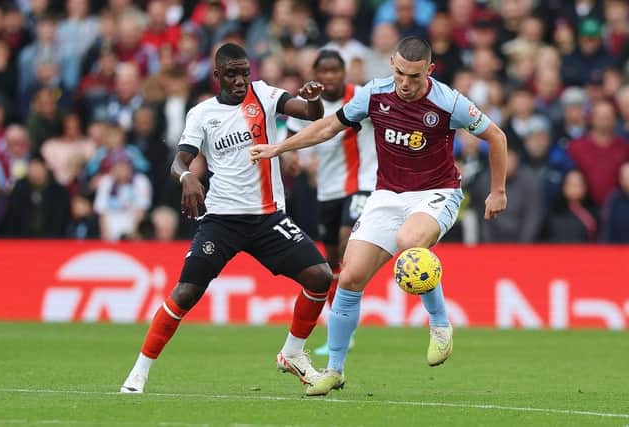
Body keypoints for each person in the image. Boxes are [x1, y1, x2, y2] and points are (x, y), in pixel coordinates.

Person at [251, 37, 507, 396]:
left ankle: (439, 323)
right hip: (386, 195)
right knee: (350, 275)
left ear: (429, 71)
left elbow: (496, 136)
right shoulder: (374, 94)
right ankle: (335, 370)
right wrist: (279, 147)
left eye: (414, 77)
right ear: (391, 64)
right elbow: (329, 126)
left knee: (408, 242)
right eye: (400, 73)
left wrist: (498, 190)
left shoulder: (448, 102)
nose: (405, 83)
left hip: (437, 193)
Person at [120, 43, 333, 394]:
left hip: (267, 218)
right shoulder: (202, 114)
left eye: (244, 73)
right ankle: (139, 372)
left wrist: (311, 99)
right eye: (231, 74)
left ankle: (292, 353)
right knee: (186, 293)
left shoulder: (264, 95)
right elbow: (179, 161)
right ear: (217, 75)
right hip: (222, 220)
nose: (240, 80)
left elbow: (311, 114)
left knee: (320, 276)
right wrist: (187, 177)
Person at [285, 50, 377, 356]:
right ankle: (340, 329)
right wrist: (290, 158)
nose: (329, 77)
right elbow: (291, 138)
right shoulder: (312, 106)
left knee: (346, 241)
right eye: (323, 71)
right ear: (315, 73)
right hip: (327, 190)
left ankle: (346, 324)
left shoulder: (361, 96)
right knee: (332, 262)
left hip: (363, 184)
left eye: (335, 70)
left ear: (343, 72)